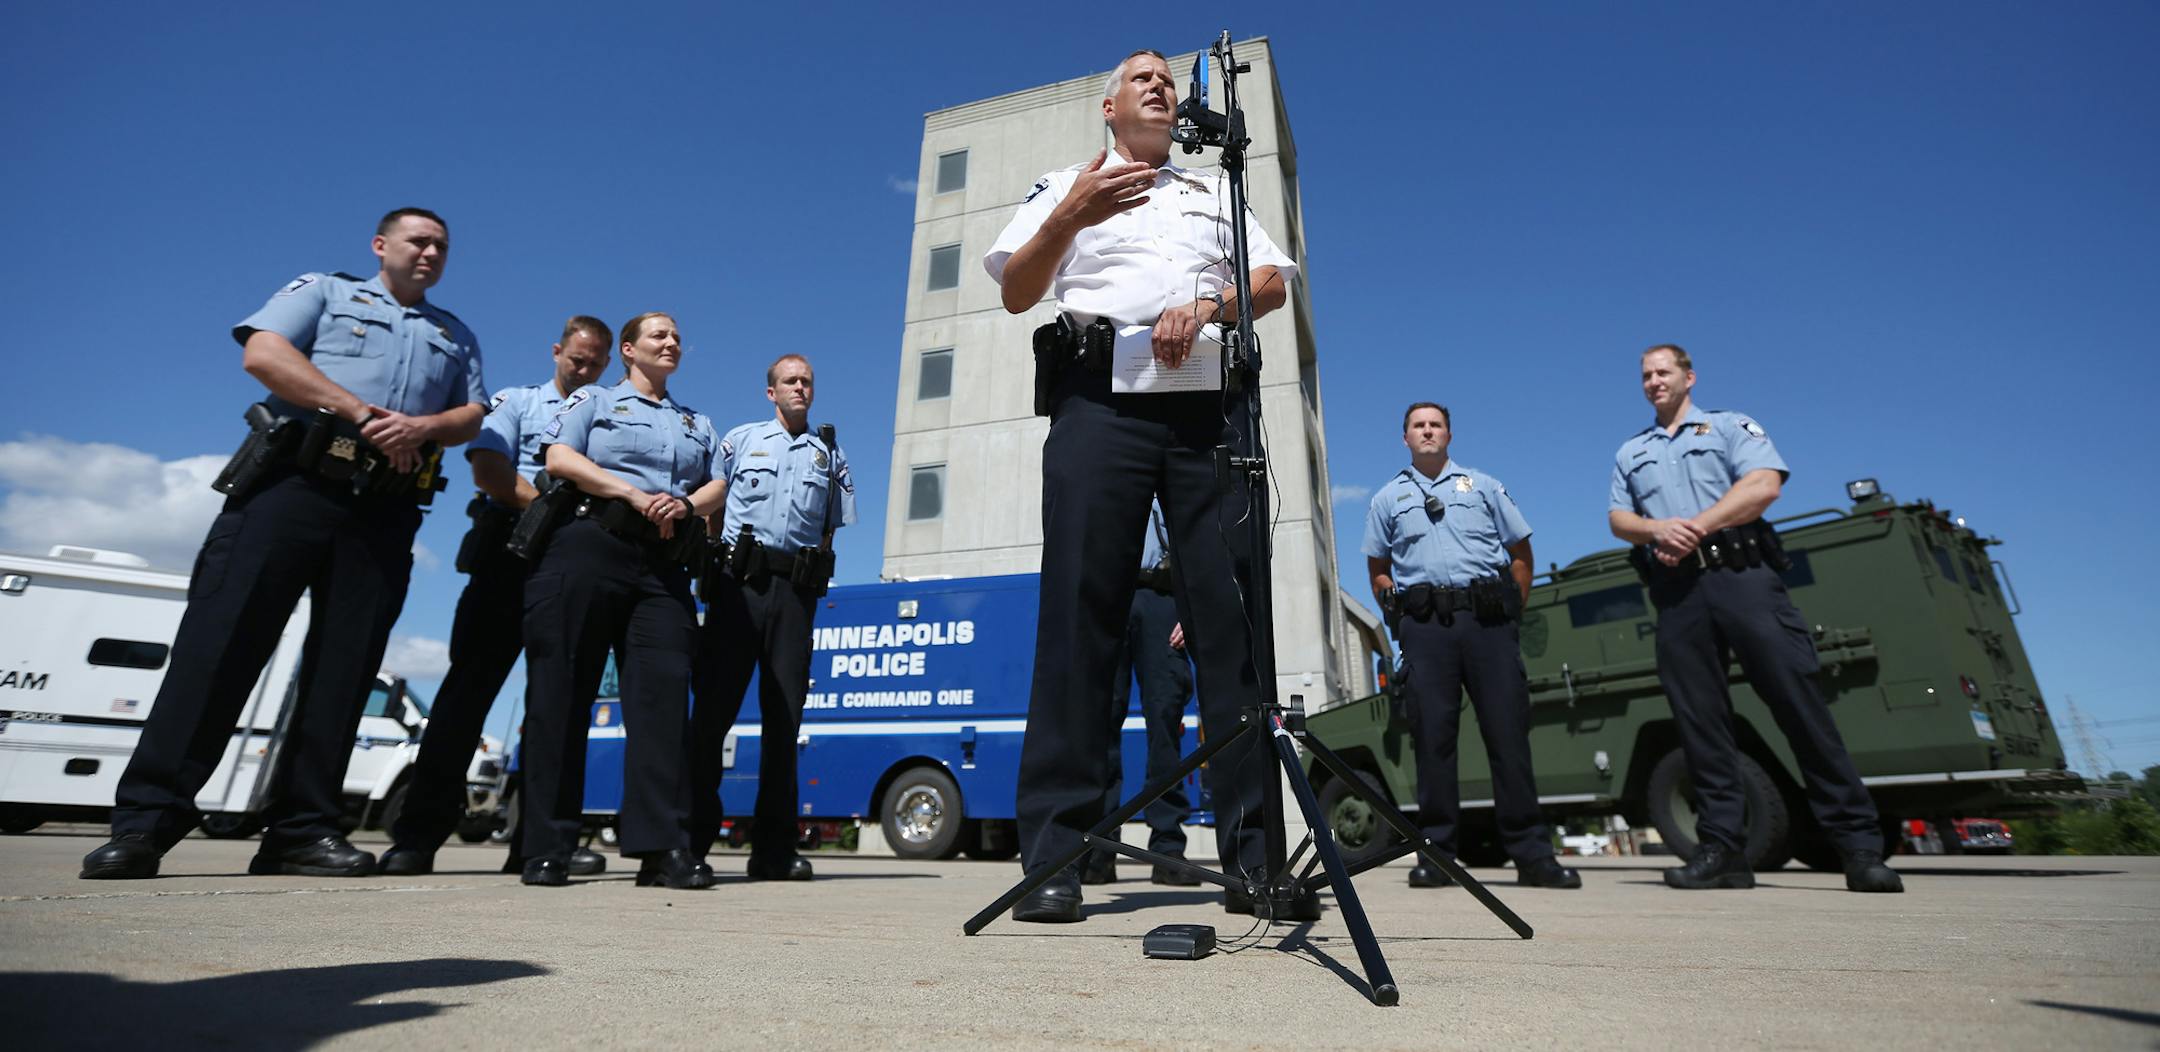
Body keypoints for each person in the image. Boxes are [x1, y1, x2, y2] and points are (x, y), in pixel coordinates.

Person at [985, 49, 1297, 923]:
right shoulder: (1065, 182)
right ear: (1109, 106)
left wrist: (1213, 306)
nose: (1159, 84)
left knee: (1231, 625)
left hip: (1207, 406)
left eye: (1167, 76)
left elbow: (1271, 282)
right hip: (1100, 404)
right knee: (1080, 617)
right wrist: (1071, 214)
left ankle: (1253, 858)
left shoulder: (1213, 192)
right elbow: (1017, 291)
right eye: (1140, 76)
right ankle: (1056, 855)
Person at [82, 208, 486, 879]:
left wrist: (423, 427)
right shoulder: (325, 292)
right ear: (381, 245)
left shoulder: (454, 334)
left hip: (383, 507)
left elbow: (472, 413)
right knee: (222, 645)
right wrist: (355, 409)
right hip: (293, 485)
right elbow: (264, 353)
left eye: (442, 246)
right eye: (420, 241)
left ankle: (302, 830)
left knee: (347, 667)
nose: (431, 252)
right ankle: (148, 823)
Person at [1608, 344, 1902, 894]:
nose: (1653, 381)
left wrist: (1692, 526)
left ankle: (1859, 847)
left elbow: (1764, 485)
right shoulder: (1632, 451)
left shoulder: (1728, 426)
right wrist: (1655, 532)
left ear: (1688, 376)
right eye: (1645, 375)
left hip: (1742, 578)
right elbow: (1620, 519)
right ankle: (1722, 851)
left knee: (1798, 703)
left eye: (1663, 371)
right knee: (1699, 723)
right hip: (1676, 592)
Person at [379, 317, 614, 878]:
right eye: (577, 359)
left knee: (560, 704)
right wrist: (555, 512)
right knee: (466, 695)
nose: (585, 370)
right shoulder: (516, 401)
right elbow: (488, 469)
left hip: (570, 569)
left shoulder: (610, 417)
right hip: (509, 554)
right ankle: (418, 836)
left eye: (596, 362)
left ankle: (540, 840)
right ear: (557, 350)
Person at [517, 312, 726, 888]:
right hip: (590, 544)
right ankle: (548, 845)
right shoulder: (595, 402)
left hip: (661, 565)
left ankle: (662, 849)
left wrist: (686, 505)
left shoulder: (696, 422)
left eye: (678, 336)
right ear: (629, 350)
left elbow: (719, 484)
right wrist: (631, 491)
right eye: (659, 335)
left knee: (662, 702)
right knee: (563, 693)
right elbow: (559, 459)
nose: (671, 342)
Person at [1363, 404, 1581, 891]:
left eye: (1435, 424)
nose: (1427, 431)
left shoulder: (1483, 486)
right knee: (1433, 739)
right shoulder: (1387, 498)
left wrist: (1511, 612)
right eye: (1418, 426)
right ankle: (1437, 854)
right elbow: (1377, 564)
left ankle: (1532, 854)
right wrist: (1395, 614)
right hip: (1425, 629)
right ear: (1405, 438)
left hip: (1487, 624)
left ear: (1449, 433)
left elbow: (1521, 552)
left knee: (1508, 736)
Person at [687, 354, 855, 881]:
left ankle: (774, 850)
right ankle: (688, 842)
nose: (800, 387)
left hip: (794, 595)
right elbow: (714, 508)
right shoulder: (741, 441)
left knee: (785, 721)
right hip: (740, 587)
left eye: (807, 380)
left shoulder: (831, 455)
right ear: (771, 392)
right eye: (790, 381)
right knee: (713, 714)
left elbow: (830, 529)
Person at [1084, 499, 1199, 887]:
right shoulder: (1109, 467)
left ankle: (1167, 849)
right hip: (1110, 598)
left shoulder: (1169, 468)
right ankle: (1098, 851)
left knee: (1165, 722)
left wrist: (1191, 607)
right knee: (1100, 724)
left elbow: (1194, 540)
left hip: (1162, 599)